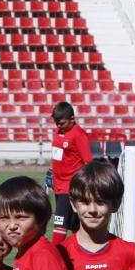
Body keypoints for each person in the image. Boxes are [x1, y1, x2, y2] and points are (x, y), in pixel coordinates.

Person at [46, 101, 93, 244]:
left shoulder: (79, 135)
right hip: (58, 185)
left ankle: (54, 257)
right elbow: (56, 154)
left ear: (72, 119)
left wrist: (85, 185)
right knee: (75, 226)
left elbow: (88, 162)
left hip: (70, 186)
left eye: (61, 123)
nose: (58, 126)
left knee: (60, 224)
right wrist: (50, 171)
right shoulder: (58, 132)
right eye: (56, 123)